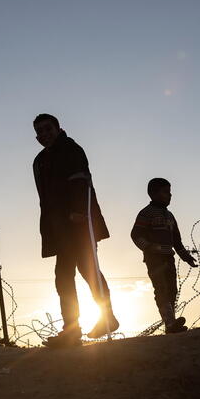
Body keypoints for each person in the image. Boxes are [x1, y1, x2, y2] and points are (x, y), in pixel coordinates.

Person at [32, 113, 119, 347]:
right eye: (39, 131)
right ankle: (76, 327)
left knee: (86, 270)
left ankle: (98, 320)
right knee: (66, 275)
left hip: (77, 223)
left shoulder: (70, 149)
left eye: (47, 129)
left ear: (58, 128)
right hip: (59, 227)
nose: (43, 134)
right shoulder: (41, 160)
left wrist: (80, 210)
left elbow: (80, 179)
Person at [131, 178, 197, 333]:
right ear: (153, 194)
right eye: (165, 192)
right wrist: (148, 247)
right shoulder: (146, 213)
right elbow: (135, 234)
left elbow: (177, 241)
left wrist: (186, 257)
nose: (170, 195)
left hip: (169, 258)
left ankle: (172, 323)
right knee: (161, 288)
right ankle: (169, 323)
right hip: (154, 259)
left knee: (172, 289)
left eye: (170, 192)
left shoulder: (170, 216)